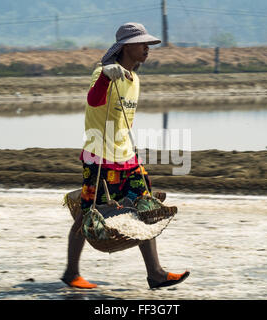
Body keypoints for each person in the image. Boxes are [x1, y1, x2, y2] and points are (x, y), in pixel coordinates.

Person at [61, 22, 190, 289]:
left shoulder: (135, 79)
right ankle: (71, 273)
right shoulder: (102, 73)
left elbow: (125, 122)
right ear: (125, 47)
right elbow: (94, 102)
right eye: (142, 43)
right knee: (87, 216)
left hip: (127, 158)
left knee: (145, 208)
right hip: (99, 159)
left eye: (148, 44)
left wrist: (131, 153)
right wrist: (106, 77)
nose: (147, 48)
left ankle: (155, 273)